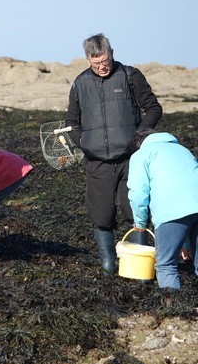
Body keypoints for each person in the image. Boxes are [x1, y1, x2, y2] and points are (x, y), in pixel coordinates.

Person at [65, 33, 162, 274]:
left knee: (136, 213)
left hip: (130, 159)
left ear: (112, 53)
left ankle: (138, 267)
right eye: (96, 62)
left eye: (105, 60)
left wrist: (139, 137)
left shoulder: (130, 75)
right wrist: (83, 142)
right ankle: (108, 266)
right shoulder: (79, 84)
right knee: (102, 216)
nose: (102, 66)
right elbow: (71, 123)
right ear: (88, 59)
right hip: (96, 163)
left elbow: (153, 109)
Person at [127, 128, 198, 289]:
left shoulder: (141, 154)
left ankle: (174, 311)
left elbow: (138, 192)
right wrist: (186, 243)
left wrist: (140, 222)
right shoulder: (183, 150)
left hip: (170, 211)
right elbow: (189, 196)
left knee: (166, 265)